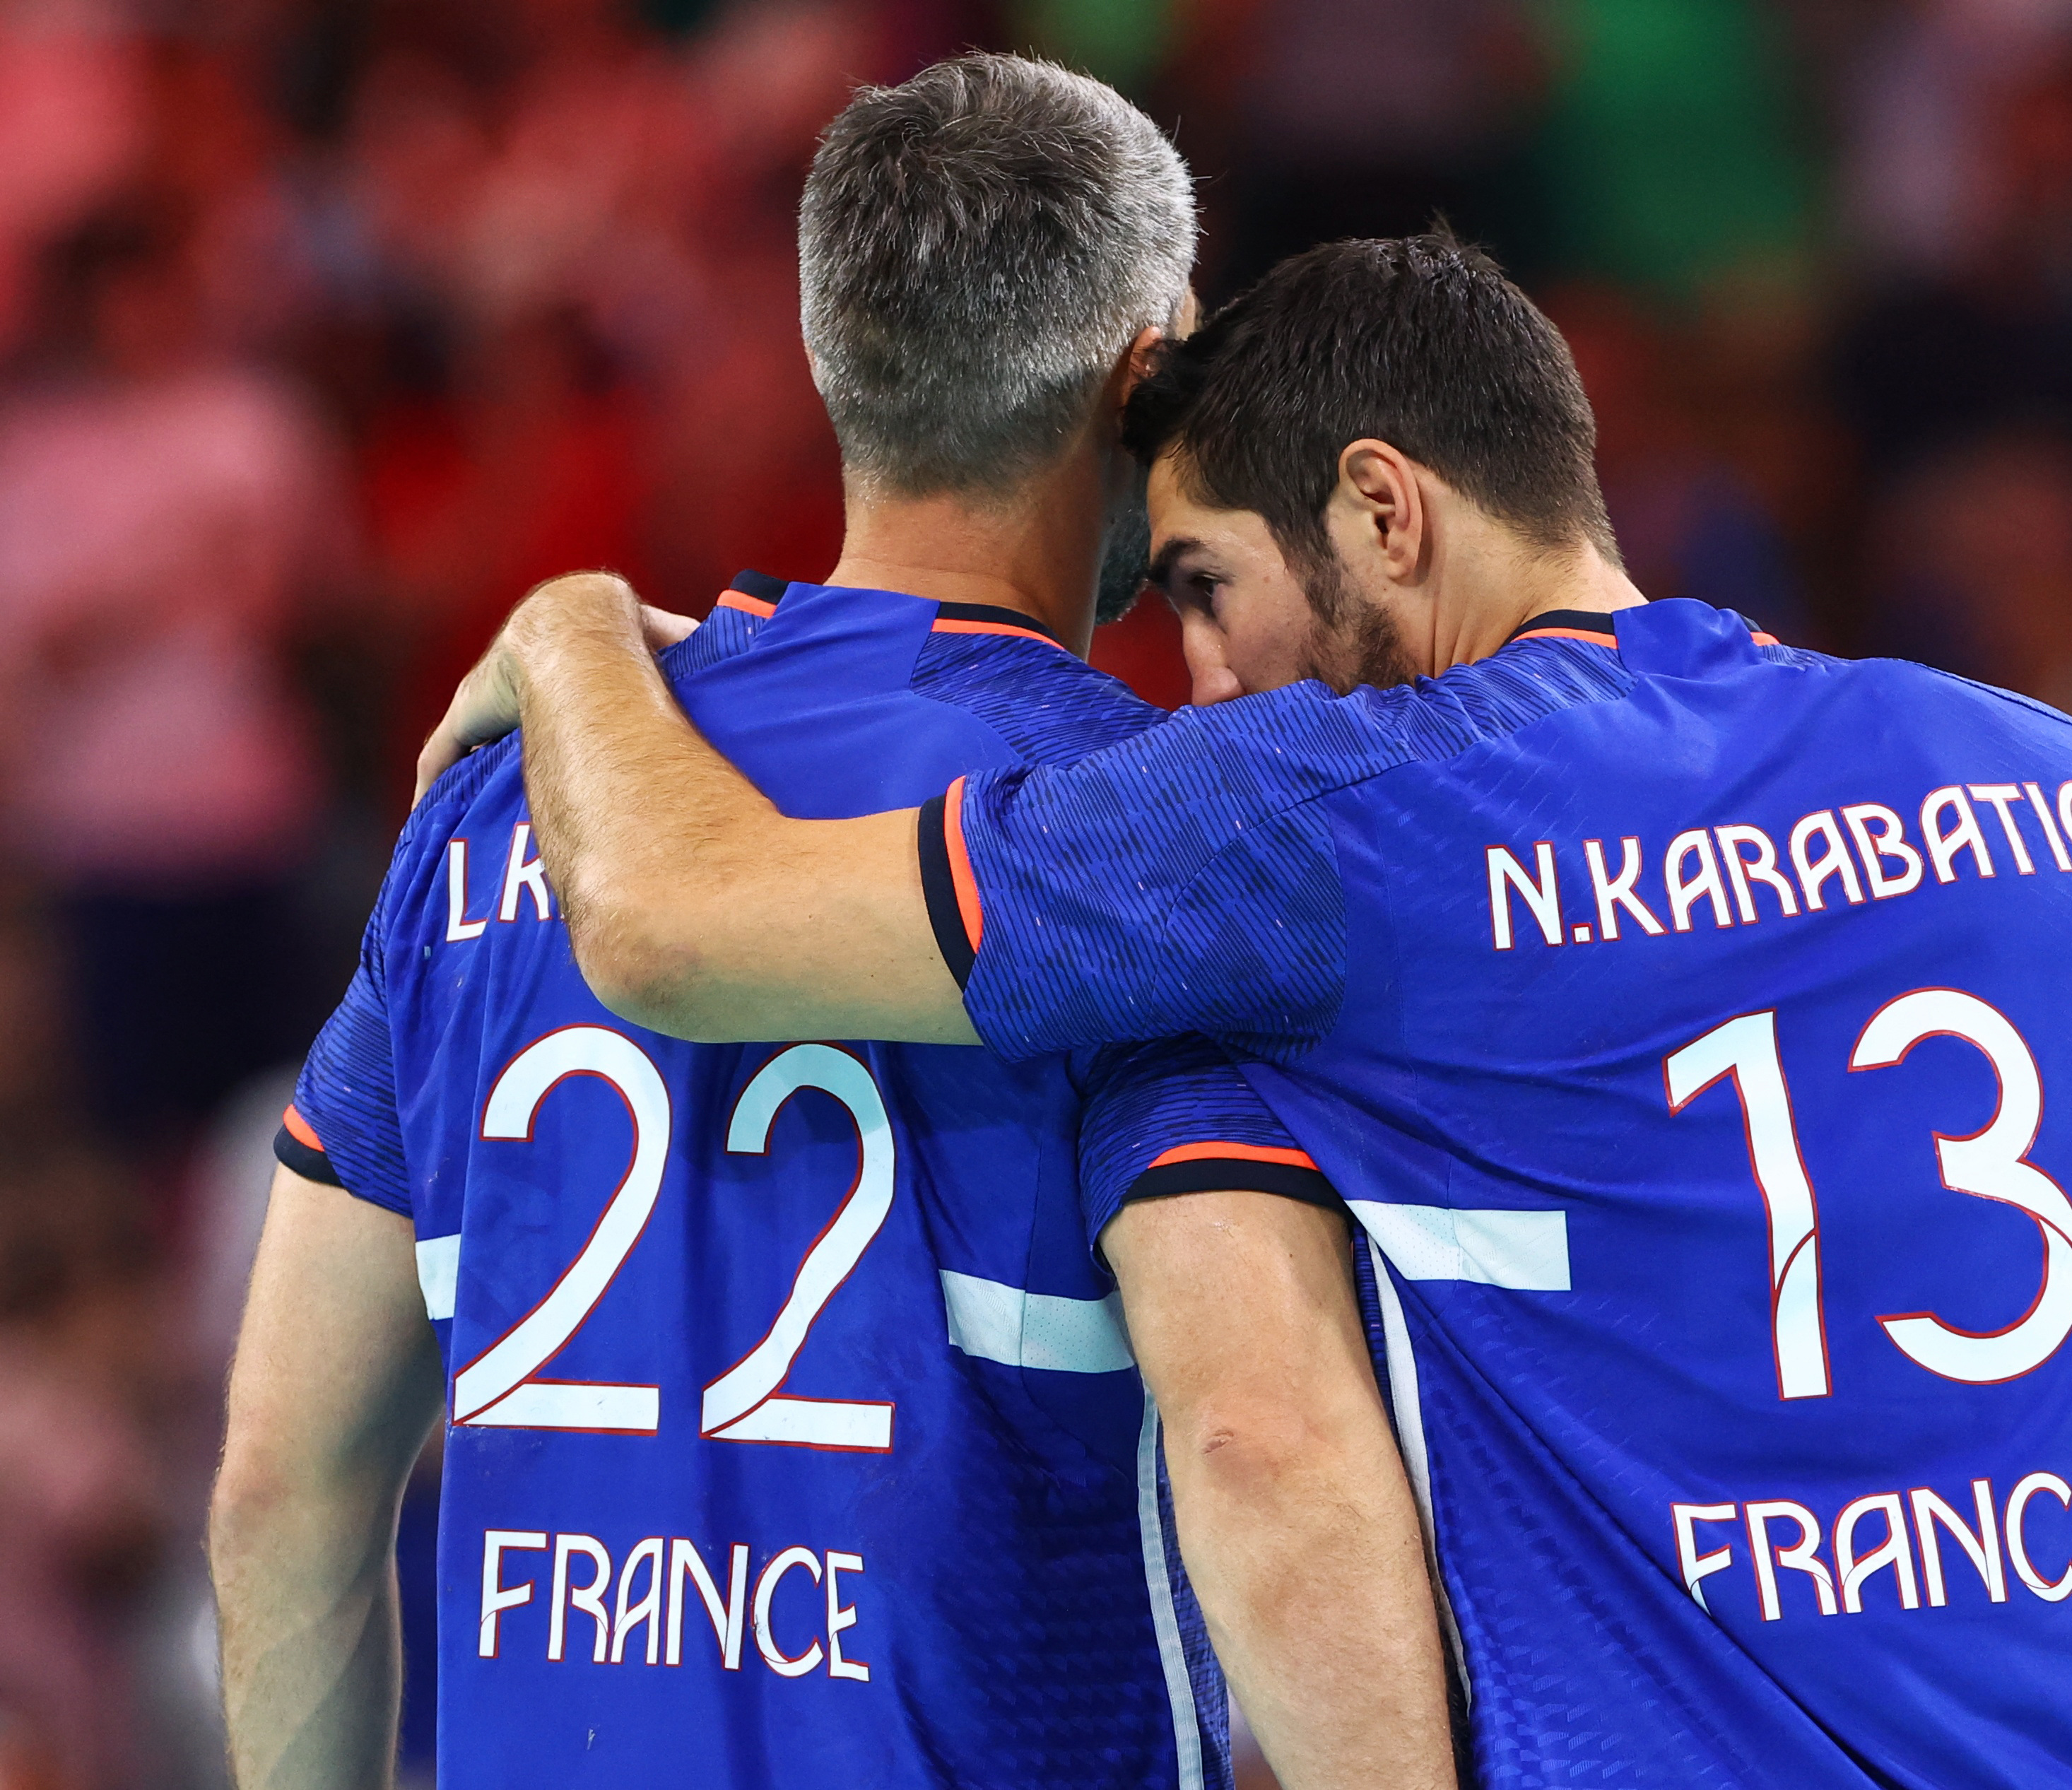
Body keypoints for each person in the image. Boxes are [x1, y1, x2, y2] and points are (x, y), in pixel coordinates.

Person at [431, 232, 2072, 1786]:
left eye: (1205, 584)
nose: (1198, 676)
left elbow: (672, 922)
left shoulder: (1330, 815)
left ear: (1384, 513)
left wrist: (573, 626)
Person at [210, 62, 1451, 1790]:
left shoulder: (501, 805)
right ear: (1144, 377)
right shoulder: (1142, 841)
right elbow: (1258, 1440)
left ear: (831, 354)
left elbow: (283, 1488)